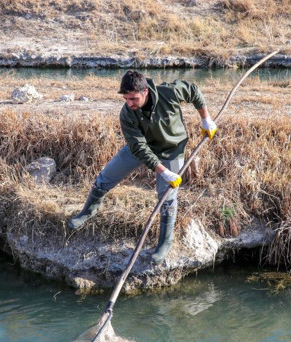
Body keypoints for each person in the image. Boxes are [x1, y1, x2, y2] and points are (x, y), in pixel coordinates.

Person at [68, 70, 217, 264]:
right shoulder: (127, 113)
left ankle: (165, 242)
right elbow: (138, 147)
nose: (129, 103)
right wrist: (163, 171)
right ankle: (88, 211)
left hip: (172, 150)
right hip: (143, 147)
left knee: (167, 198)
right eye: (125, 98)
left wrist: (205, 118)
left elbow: (193, 91)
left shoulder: (169, 93)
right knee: (106, 176)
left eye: (133, 98)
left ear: (145, 91)